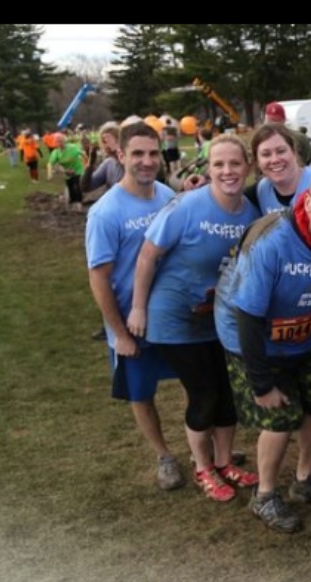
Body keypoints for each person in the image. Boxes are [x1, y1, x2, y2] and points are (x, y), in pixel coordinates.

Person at [128, 133, 261, 502]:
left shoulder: (252, 214)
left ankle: (224, 462)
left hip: (219, 318)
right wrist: (138, 307)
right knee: (204, 394)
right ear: (208, 169)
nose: (227, 171)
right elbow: (147, 256)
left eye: (235, 163)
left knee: (228, 394)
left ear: (248, 167)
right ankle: (203, 468)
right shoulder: (187, 206)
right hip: (175, 318)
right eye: (218, 164)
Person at [229, 169, 311, 533]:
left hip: (306, 334)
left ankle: (305, 480)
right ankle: (264, 495)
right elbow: (247, 317)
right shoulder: (272, 241)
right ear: (307, 200)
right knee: (281, 415)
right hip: (255, 335)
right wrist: (261, 384)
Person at [85, 121, 183, 491]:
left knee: (196, 380)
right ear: (120, 155)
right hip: (132, 324)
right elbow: (99, 278)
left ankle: (202, 446)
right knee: (142, 393)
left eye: (153, 153)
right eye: (137, 153)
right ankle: (164, 456)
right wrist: (119, 334)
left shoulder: (166, 195)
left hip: (173, 318)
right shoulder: (105, 212)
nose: (147, 161)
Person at [264, 102, 311, 166]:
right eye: (270, 121)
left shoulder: (300, 138)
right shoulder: (259, 140)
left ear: (284, 120)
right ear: (265, 120)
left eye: (277, 121)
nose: (273, 124)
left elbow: (308, 160)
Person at [47, 132, 86, 213]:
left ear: (64, 141)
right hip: (67, 172)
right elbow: (50, 163)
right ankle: (72, 203)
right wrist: (50, 174)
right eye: (57, 141)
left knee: (76, 186)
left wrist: (88, 164)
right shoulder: (56, 153)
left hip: (77, 169)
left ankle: (79, 204)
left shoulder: (72, 148)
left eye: (61, 141)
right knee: (70, 186)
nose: (59, 143)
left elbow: (83, 154)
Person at [81, 121, 125, 193]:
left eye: (109, 140)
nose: (106, 146)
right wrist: (90, 163)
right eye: (104, 141)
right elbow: (86, 187)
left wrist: (117, 149)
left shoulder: (131, 159)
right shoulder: (108, 163)